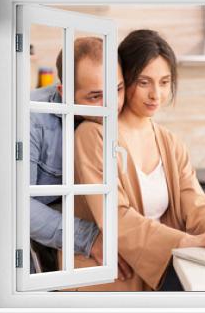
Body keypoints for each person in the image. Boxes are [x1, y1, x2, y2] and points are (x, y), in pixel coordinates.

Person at [71, 29, 205, 291]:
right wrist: (185, 242)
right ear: (123, 80)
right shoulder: (93, 134)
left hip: (163, 266)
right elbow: (116, 217)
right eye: (144, 82)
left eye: (164, 82)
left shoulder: (170, 142)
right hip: (117, 274)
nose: (156, 94)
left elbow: (196, 205)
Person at [30, 37, 132, 280]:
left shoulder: (123, 113)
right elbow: (15, 206)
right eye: (95, 96)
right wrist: (91, 239)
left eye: (117, 89)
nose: (111, 105)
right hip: (37, 251)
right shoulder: (32, 118)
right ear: (64, 94)